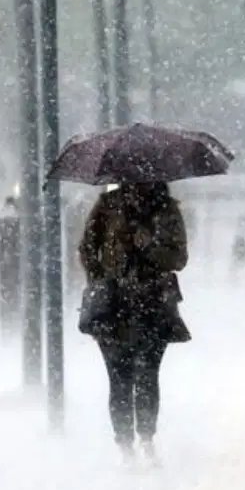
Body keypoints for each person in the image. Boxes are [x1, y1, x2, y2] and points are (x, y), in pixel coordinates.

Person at [78, 181, 190, 463]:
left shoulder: (166, 209)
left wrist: (149, 246)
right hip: (113, 306)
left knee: (148, 375)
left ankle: (146, 437)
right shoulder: (108, 206)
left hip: (153, 304)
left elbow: (179, 258)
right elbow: (87, 248)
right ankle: (125, 444)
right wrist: (101, 279)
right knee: (119, 377)